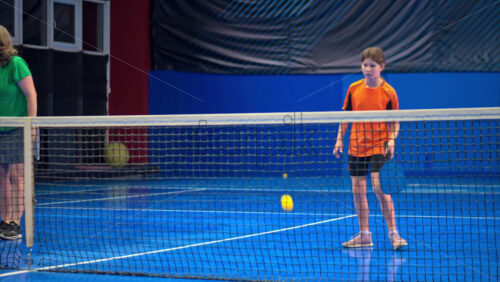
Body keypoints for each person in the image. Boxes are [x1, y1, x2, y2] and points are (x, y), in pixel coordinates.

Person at [333, 47, 407, 250]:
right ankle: (364, 235)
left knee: (380, 189)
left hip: (378, 146)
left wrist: (392, 140)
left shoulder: (388, 92)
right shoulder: (353, 88)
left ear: (381, 67)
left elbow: (396, 121)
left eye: (372, 66)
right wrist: (339, 140)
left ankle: (394, 234)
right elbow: (345, 118)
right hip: (356, 146)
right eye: (364, 65)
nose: (367, 69)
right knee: (358, 191)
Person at [0, 25, 37, 240]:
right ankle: (4, 219)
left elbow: (31, 95)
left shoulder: (16, 64)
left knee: (16, 175)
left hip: (17, 128)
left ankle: (16, 221)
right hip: (0, 127)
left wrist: (30, 125)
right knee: (2, 176)